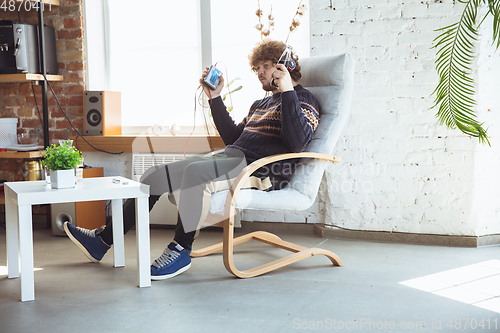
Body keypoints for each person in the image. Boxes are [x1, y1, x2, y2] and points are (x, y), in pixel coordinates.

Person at [63, 39, 320, 280]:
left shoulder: (305, 100)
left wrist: (288, 91)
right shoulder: (259, 104)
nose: (261, 73)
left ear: (285, 66)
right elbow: (233, 138)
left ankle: (181, 249)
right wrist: (215, 97)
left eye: (266, 66)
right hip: (232, 157)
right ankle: (103, 240)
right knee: (154, 176)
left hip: (259, 170)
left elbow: (297, 143)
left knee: (196, 173)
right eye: (257, 69)